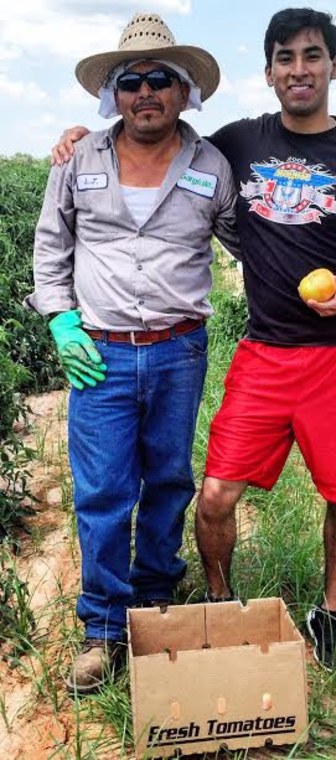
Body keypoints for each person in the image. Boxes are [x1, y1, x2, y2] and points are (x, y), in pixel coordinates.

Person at [52, 7, 336, 678]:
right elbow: (154, 140)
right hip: (261, 351)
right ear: (268, 71)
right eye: (286, 58)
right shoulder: (237, 142)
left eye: (311, 56)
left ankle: (330, 615)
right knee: (210, 494)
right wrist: (77, 139)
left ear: (334, 64)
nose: (299, 70)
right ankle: (211, 604)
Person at [28, 12, 240, 694]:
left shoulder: (210, 165)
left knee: (169, 481)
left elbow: (249, 244)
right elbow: (51, 247)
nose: (145, 92)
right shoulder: (79, 159)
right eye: (131, 82)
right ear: (113, 94)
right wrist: (61, 320)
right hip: (101, 353)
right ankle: (103, 626)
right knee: (102, 491)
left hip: (179, 350)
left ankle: (152, 601)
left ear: (184, 92)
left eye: (160, 80)